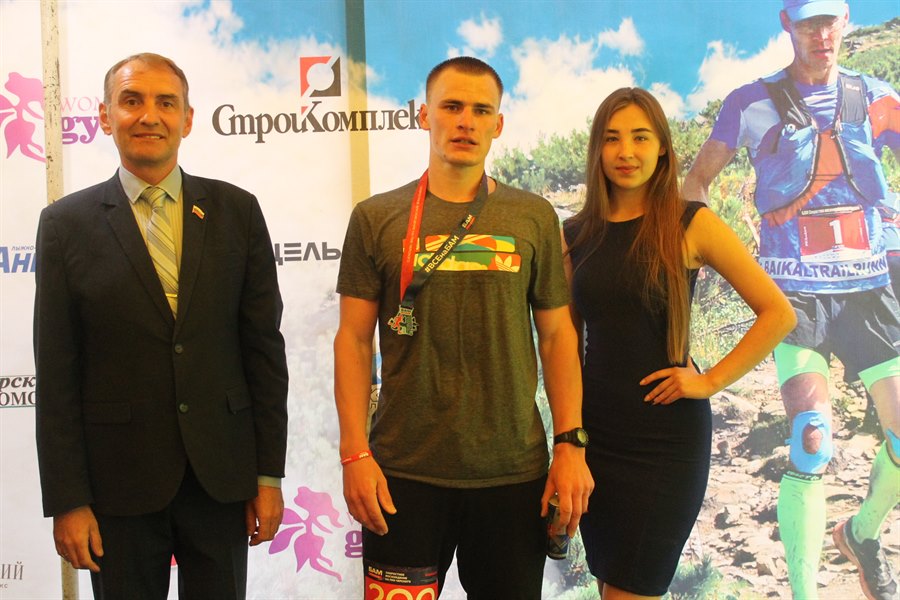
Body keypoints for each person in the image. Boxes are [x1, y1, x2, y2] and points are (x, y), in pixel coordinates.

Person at [333, 56, 593, 599]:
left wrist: (571, 443)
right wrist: (354, 452)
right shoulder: (376, 217)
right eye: (451, 106)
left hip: (511, 475)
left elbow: (557, 336)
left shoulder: (532, 216)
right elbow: (354, 341)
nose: (465, 122)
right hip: (402, 476)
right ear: (424, 116)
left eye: (481, 110)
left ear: (498, 124)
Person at [34, 53, 289, 599]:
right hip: (116, 486)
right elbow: (56, 376)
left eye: (165, 103)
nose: (149, 115)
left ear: (187, 119)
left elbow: (264, 353)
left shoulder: (237, 212)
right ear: (105, 117)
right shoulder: (64, 226)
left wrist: (268, 476)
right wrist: (68, 500)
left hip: (221, 480)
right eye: (132, 101)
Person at [683, 0, 900, 596]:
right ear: (787, 24)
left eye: (829, 20)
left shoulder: (878, 97)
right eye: (807, 22)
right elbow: (696, 183)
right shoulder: (749, 102)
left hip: (870, 289)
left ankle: (861, 535)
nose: (820, 34)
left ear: (846, 20)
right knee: (811, 438)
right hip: (794, 296)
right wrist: (713, 256)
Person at [564, 87, 794, 598]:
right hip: (595, 439)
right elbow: (565, 346)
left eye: (640, 137)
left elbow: (778, 313)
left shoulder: (691, 222)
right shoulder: (575, 234)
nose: (626, 152)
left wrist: (708, 381)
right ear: (597, 149)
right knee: (610, 586)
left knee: (629, 589)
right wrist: (569, 440)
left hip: (665, 442)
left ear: (663, 148)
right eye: (612, 138)